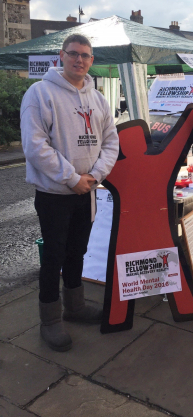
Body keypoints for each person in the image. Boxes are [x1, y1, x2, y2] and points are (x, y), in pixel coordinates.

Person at [20, 34, 119, 352]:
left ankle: (74, 308)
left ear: (92, 61)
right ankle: (50, 321)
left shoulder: (98, 98)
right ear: (61, 56)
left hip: (86, 190)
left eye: (86, 56)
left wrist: (95, 175)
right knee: (53, 256)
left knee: (77, 251)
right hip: (54, 194)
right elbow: (35, 146)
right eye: (73, 54)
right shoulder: (40, 93)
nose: (79, 60)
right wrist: (71, 178)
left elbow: (111, 141)